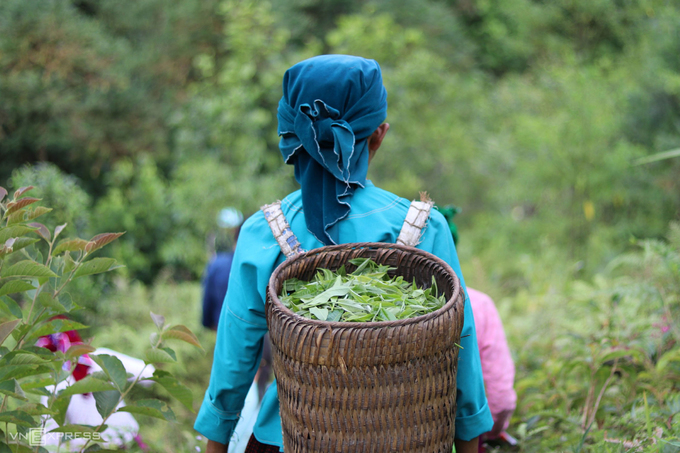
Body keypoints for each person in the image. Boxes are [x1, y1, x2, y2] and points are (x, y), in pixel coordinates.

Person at [194, 54, 493, 453]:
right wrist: (469, 440)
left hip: (288, 438)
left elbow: (234, 365)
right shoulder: (424, 228)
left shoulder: (265, 233)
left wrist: (215, 444)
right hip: (405, 437)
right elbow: (461, 345)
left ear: (290, 139)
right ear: (379, 135)